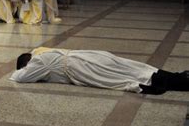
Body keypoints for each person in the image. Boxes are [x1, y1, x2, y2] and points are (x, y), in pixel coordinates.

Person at [11, 47, 189, 94]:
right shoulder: (47, 53)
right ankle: (179, 77)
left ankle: (179, 81)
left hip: (84, 67)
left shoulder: (39, 61)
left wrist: (18, 71)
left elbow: (20, 77)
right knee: (133, 68)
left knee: (125, 77)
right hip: (92, 57)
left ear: (27, 62)